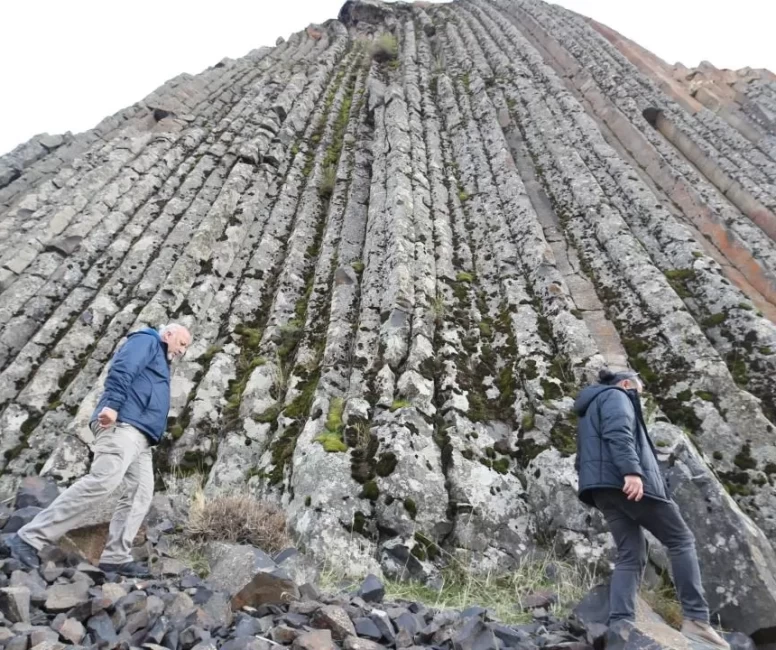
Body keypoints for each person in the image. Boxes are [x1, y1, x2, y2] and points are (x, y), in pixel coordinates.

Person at [8, 323, 192, 577]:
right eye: (182, 343)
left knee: (140, 494)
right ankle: (29, 538)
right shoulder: (147, 341)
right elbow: (123, 369)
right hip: (122, 425)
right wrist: (112, 406)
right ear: (168, 334)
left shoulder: (160, 358)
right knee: (102, 482)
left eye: (186, 347)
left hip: (142, 438)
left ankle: (115, 558)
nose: (183, 350)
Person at [574, 368, 729, 650]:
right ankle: (696, 619)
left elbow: (584, 454)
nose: (639, 398)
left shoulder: (590, 406)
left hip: (601, 489)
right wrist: (632, 472)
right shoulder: (617, 396)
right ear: (626, 384)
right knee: (681, 540)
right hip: (624, 481)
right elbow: (619, 433)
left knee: (631, 553)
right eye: (638, 392)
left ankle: (621, 625)